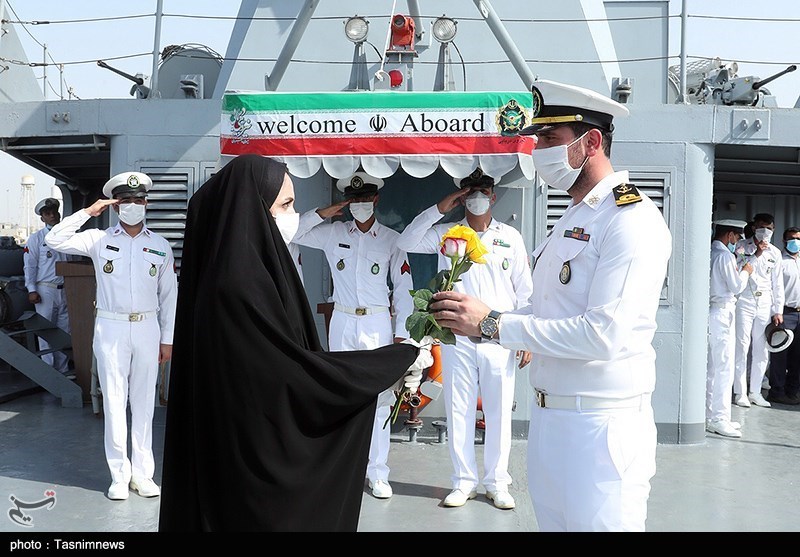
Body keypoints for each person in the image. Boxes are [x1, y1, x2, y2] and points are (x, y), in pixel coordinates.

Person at [429, 79, 672, 531]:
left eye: (549, 139)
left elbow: (603, 335)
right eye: (537, 139)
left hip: (600, 427)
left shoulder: (631, 219)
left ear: (591, 142)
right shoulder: (575, 216)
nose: (538, 150)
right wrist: (472, 318)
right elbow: (548, 310)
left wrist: (494, 324)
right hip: (549, 421)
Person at [157, 154, 431, 532]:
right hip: (254, 459)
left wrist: (392, 352)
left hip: (368, 326)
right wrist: (392, 362)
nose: (293, 215)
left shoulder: (251, 269)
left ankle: (378, 469)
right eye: (286, 205)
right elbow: (288, 375)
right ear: (254, 208)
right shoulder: (239, 285)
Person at [396, 167, 533, 510]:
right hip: (456, 338)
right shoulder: (448, 234)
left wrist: (524, 337)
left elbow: (525, 291)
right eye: (470, 192)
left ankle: (497, 482)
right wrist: (441, 207)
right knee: (458, 411)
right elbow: (406, 241)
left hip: (499, 338)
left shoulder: (510, 237)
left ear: (493, 196)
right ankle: (463, 482)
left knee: (499, 413)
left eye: (482, 191)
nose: (476, 197)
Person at [45, 171, 178, 501]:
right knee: (115, 402)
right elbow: (54, 239)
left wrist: (168, 338)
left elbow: (169, 296)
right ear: (115, 206)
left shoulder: (159, 245)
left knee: (144, 403)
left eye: (139, 200)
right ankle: (119, 475)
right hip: (111, 326)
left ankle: (143, 474)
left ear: (146, 204)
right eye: (126, 200)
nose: (133, 205)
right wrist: (88, 212)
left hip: (147, 326)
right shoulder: (98, 239)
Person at [292, 171, 414, 500]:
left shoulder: (391, 239)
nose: (360, 204)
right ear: (348, 202)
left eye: (365, 198)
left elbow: (404, 288)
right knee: (341, 394)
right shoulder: (332, 233)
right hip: (343, 320)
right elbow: (290, 231)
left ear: (376, 199)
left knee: (381, 398)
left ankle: (377, 472)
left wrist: (402, 335)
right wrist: (322, 213)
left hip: (377, 323)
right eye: (354, 199)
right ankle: (343, 468)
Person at [732, 213, 784, 408]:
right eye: (762, 227)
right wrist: (757, 254)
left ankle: (755, 391)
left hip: (764, 303)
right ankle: (740, 392)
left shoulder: (775, 253)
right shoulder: (741, 246)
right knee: (742, 346)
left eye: (769, 228)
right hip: (744, 300)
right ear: (754, 228)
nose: (765, 231)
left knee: (762, 349)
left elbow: (777, 283)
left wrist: (777, 310)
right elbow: (741, 269)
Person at [706, 220, 753, 437]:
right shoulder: (724, 256)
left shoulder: (712, 252)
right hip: (722, 312)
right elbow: (736, 286)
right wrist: (746, 271)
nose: (738, 242)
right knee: (724, 367)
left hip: (713, 312)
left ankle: (710, 415)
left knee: (713, 368)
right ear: (730, 235)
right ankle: (720, 418)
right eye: (737, 238)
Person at [23, 197, 73, 377]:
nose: (52, 216)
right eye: (47, 213)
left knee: (64, 331)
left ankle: (63, 371)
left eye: (54, 213)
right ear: (42, 218)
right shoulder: (36, 239)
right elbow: (30, 266)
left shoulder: (68, 237)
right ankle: (49, 372)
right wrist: (31, 289)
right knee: (45, 331)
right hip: (45, 289)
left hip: (66, 288)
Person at [767, 227, 800, 404]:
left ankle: (793, 391)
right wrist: (776, 311)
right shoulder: (780, 260)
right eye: (792, 238)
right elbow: (774, 287)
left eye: (798, 238)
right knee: (780, 355)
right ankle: (777, 392)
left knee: (797, 356)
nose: (796, 242)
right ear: (784, 240)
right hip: (785, 313)